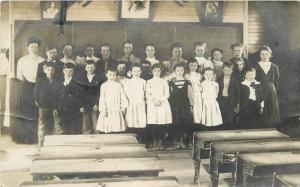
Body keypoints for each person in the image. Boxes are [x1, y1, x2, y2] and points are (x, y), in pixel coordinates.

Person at [14, 37, 45, 144]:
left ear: (38, 48)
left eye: (36, 47)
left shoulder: (42, 60)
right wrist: (27, 82)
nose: (34, 49)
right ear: (27, 48)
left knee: (36, 113)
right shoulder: (22, 60)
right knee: (25, 113)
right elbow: (19, 76)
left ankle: (35, 138)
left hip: (38, 87)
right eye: (31, 47)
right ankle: (24, 138)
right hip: (26, 88)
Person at [34, 62, 61, 148]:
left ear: (54, 71)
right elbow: (36, 93)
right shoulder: (40, 81)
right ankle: (40, 143)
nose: (50, 71)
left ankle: (58, 144)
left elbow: (60, 95)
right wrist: (39, 102)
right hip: (43, 106)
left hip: (54, 107)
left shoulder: (58, 81)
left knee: (57, 125)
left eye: (52, 70)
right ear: (45, 71)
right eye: (48, 70)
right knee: (42, 125)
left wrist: (56, 107)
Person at [146, 64, 172, 149]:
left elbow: (167, 93)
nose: (156, 72)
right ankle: (155, 140)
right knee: (153, 123)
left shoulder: (164, 81)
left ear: (161, 72)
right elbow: (147, 94)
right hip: (153, 104)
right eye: (155, 71)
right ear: (152, 72)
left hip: (162, 104)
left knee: (162, 123)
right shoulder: (149, 81)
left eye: (158, 71)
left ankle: (161, 140)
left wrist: (161, 100)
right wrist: (154, 100)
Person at [254, 45, 280, 128]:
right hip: (260, 88)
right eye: (262, 54)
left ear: (270, 55)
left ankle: (271, 126)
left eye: (266, 54)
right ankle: (261, 125)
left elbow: (276, 80)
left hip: (271, 88)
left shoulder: (274, 66)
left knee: (271, 105)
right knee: (262, 105)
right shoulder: (256, 66)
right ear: (259, 55)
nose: (264, 56)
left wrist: (272, 88)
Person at [169, 63, 193, 149]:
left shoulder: (187, 82)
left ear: (184, 71)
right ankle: (176, 141)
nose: (179, 72)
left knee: (184, 123)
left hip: (185, 106)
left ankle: (183, 140)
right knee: (176, 122)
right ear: (174, 71)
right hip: (175, 106)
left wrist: (191, 106)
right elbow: (169, 95)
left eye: (181, 70)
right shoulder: (171, 82)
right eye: (178, 70)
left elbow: (190, 95)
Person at [96, 68, 128, 133]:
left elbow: (123, 96)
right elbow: (102, 98)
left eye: (114, 75)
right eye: (110, 75)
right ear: (106, 75)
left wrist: (123, 107)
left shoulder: (118, 85)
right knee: (107, 126)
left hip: (116, 107)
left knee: (116, 126)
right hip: (107, 108)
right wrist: (103, 110)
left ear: (116, 76)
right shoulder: (104, 85)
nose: (112, 77)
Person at [54, 63, 81, 134]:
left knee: (73, 127)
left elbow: (78, 96)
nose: (68, 73)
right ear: (63, 71)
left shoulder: (76, 83)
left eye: (70, 71)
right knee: (64, 127)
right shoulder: (58, 82)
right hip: (62, 108)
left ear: (73, 72)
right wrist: (55, 107)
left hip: (73, 108)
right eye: (66, 71)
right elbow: (55, 96)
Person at [79, 60, 105, 134]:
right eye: (88, 67)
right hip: (85, 104)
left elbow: (100, 92)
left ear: (95, 68)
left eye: (91, 67)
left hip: (95, 104)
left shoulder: (100, 77)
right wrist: (81, 105)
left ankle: (98, 140)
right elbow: (80, 93)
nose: (90, 69)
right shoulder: (82, 78)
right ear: (85, 68)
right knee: (86, 125)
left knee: (96, 124)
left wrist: (97, 103)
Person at [123, 64, 147, 142]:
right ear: (131, 72)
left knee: (140, 120)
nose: (136, 73)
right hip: (131, 103)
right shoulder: (127, 82)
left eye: (138, 71)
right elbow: (126, 94)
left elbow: (145, 93)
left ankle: (141, 139)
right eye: (134, 71)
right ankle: (131, 140)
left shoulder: (143, 81)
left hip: (140, 103)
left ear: (140, 72)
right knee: (131, 120)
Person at [217, 62, 240, 130]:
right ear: (222, 70)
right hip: (221, 100)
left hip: (231, 101)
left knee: (230, 117)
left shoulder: (235, 80)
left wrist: (237, 104)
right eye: (226, 69)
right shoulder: (219, 79)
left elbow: (238, 93)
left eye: (230, 69)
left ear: (232, 71)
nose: (228, 71)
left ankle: (230, 132)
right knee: (222, 116)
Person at [185, 60, 202, 131]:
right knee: (191, 112)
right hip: (190, 95)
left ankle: (198, 129)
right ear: (188, 66)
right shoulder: (186, 76)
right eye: (191, 65)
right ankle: (191, 131)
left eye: (195, 65)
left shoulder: (200, 75)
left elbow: (201, 85)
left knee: (199, 112)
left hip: (199, 96)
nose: (193, 67)